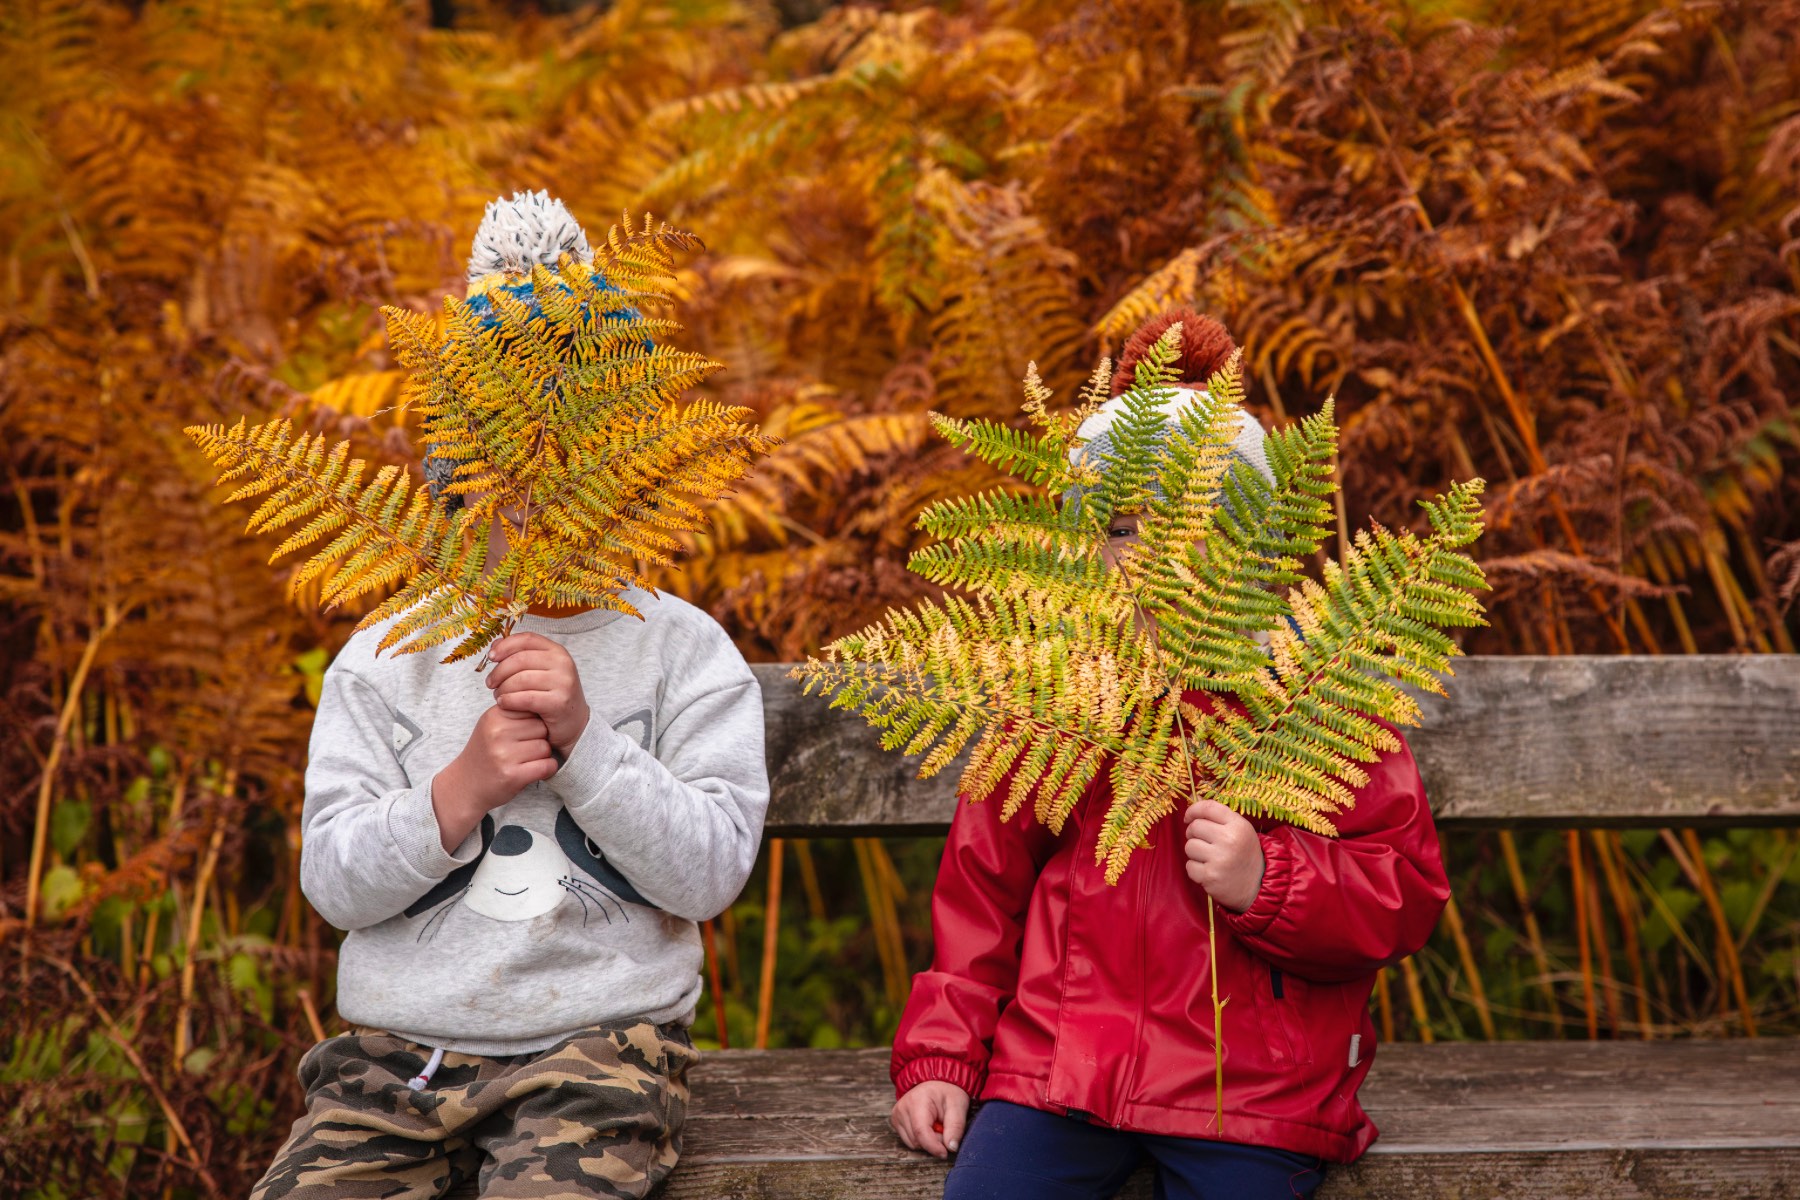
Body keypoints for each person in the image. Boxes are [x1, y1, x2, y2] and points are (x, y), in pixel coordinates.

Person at [251, 193, 769, 1200]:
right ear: (456, 480)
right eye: (504, 473)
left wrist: (587, 741)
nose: (539, 499)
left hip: (602, 1054)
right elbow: (336, 885)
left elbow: (708, 876)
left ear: (633, 472)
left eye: (580, 463)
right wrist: (458, 790)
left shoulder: (680, 650)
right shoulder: (389, 657)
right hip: (396, 1060)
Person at [887, 310, 1450, 1200]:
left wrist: (1272, 879)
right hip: (1062, 1073)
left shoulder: (1315, 695)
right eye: (1118, 528)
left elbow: (1404, 893)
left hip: (1253, 1093)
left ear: (1250, 546)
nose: (1145, 558)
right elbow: (981, 897)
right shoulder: (1055, 697)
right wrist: (942, 1056)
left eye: (1187, 527)